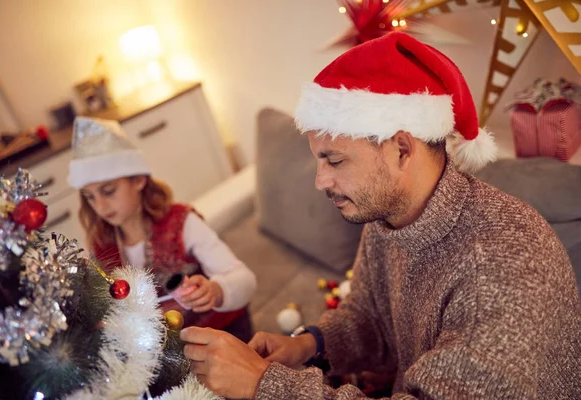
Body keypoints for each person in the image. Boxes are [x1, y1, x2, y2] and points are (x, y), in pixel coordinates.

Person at [180, 32, 581, 399]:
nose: (320, 181)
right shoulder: (387, 214)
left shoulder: (498, 268)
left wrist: (263, 385)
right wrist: (310, 344)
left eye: (334, 160)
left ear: (402, 150)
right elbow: (368, 315)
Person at [67, 116, 257, 342]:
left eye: (108, 191)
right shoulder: (102, 245)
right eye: (90, 198)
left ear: (138, 180)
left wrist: (216, 291)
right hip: (165, 355)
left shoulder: (181, 223)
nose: (100, 206)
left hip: (222, 335)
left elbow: (245, 279)